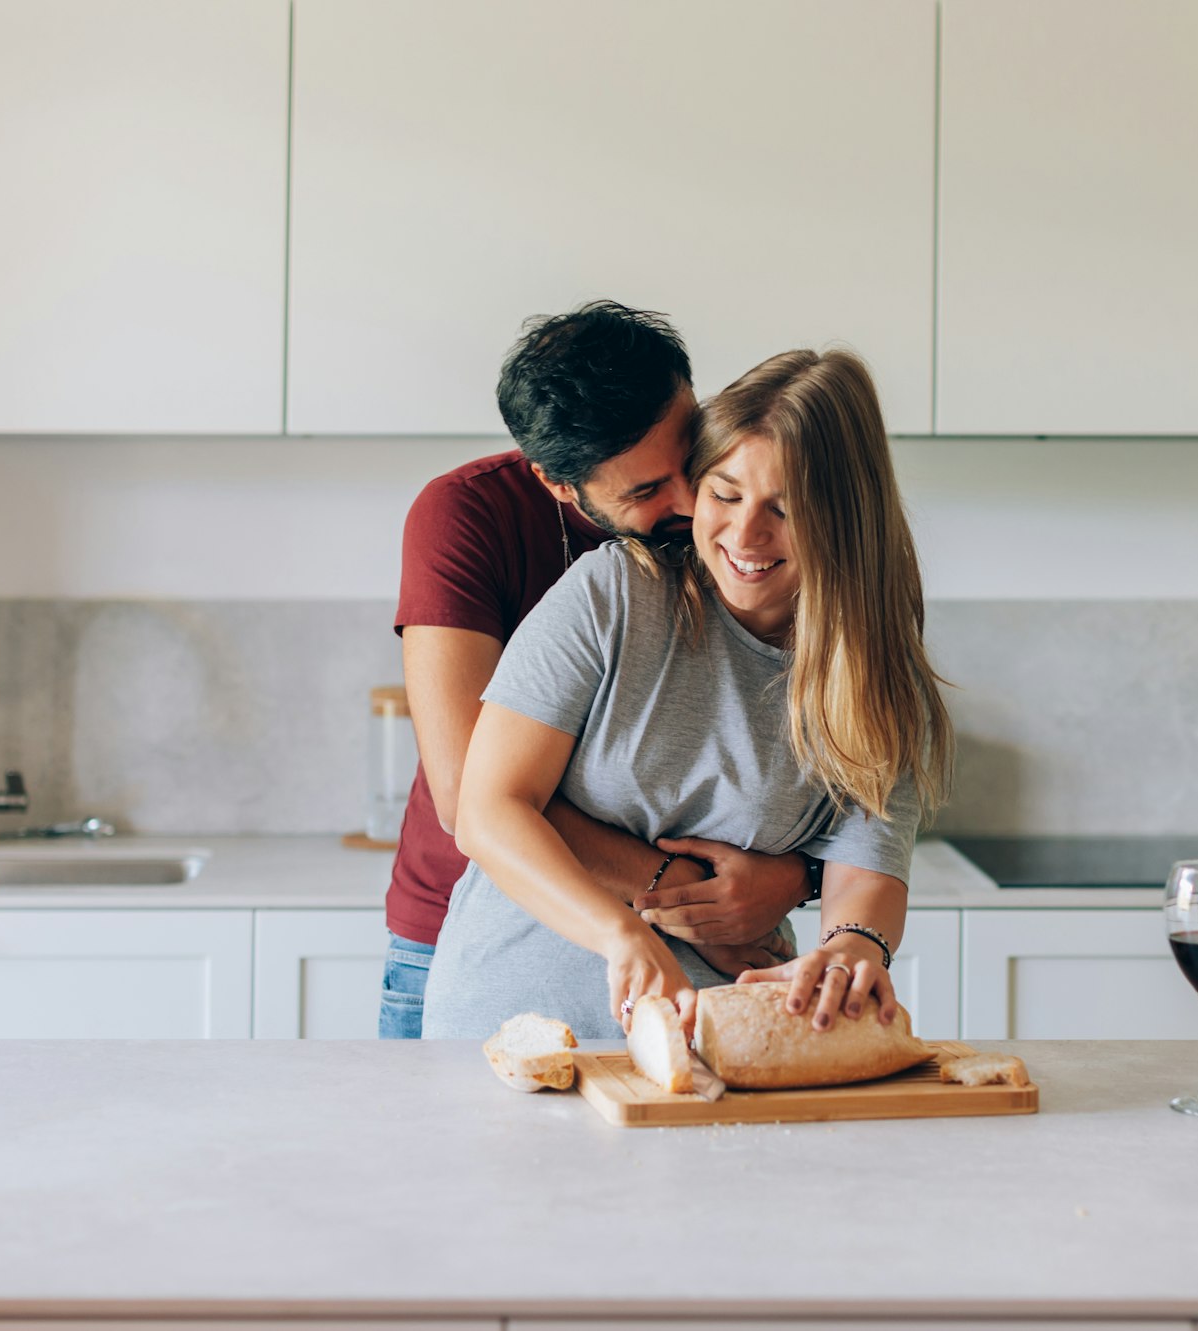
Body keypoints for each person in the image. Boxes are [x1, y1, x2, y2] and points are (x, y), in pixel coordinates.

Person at [421, 348, 952, 1040]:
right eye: (725, 494)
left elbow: (868, 868)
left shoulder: (876, 672)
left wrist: (853, 945)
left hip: (719, 1046)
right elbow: (487, 811)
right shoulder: (613, 595)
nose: (745, 534)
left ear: (846, 519)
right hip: (506, 1027)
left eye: (785, 510)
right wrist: (621, 934)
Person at [381, 301, 817, 1038]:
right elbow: (468, 796)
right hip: (482, 935)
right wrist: (687, 895)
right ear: (556, 482)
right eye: (645, 492)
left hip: (706, 947)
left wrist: (795, 877)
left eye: (688, 463)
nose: (689, 504)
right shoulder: (466, 516)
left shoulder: (742, 522)